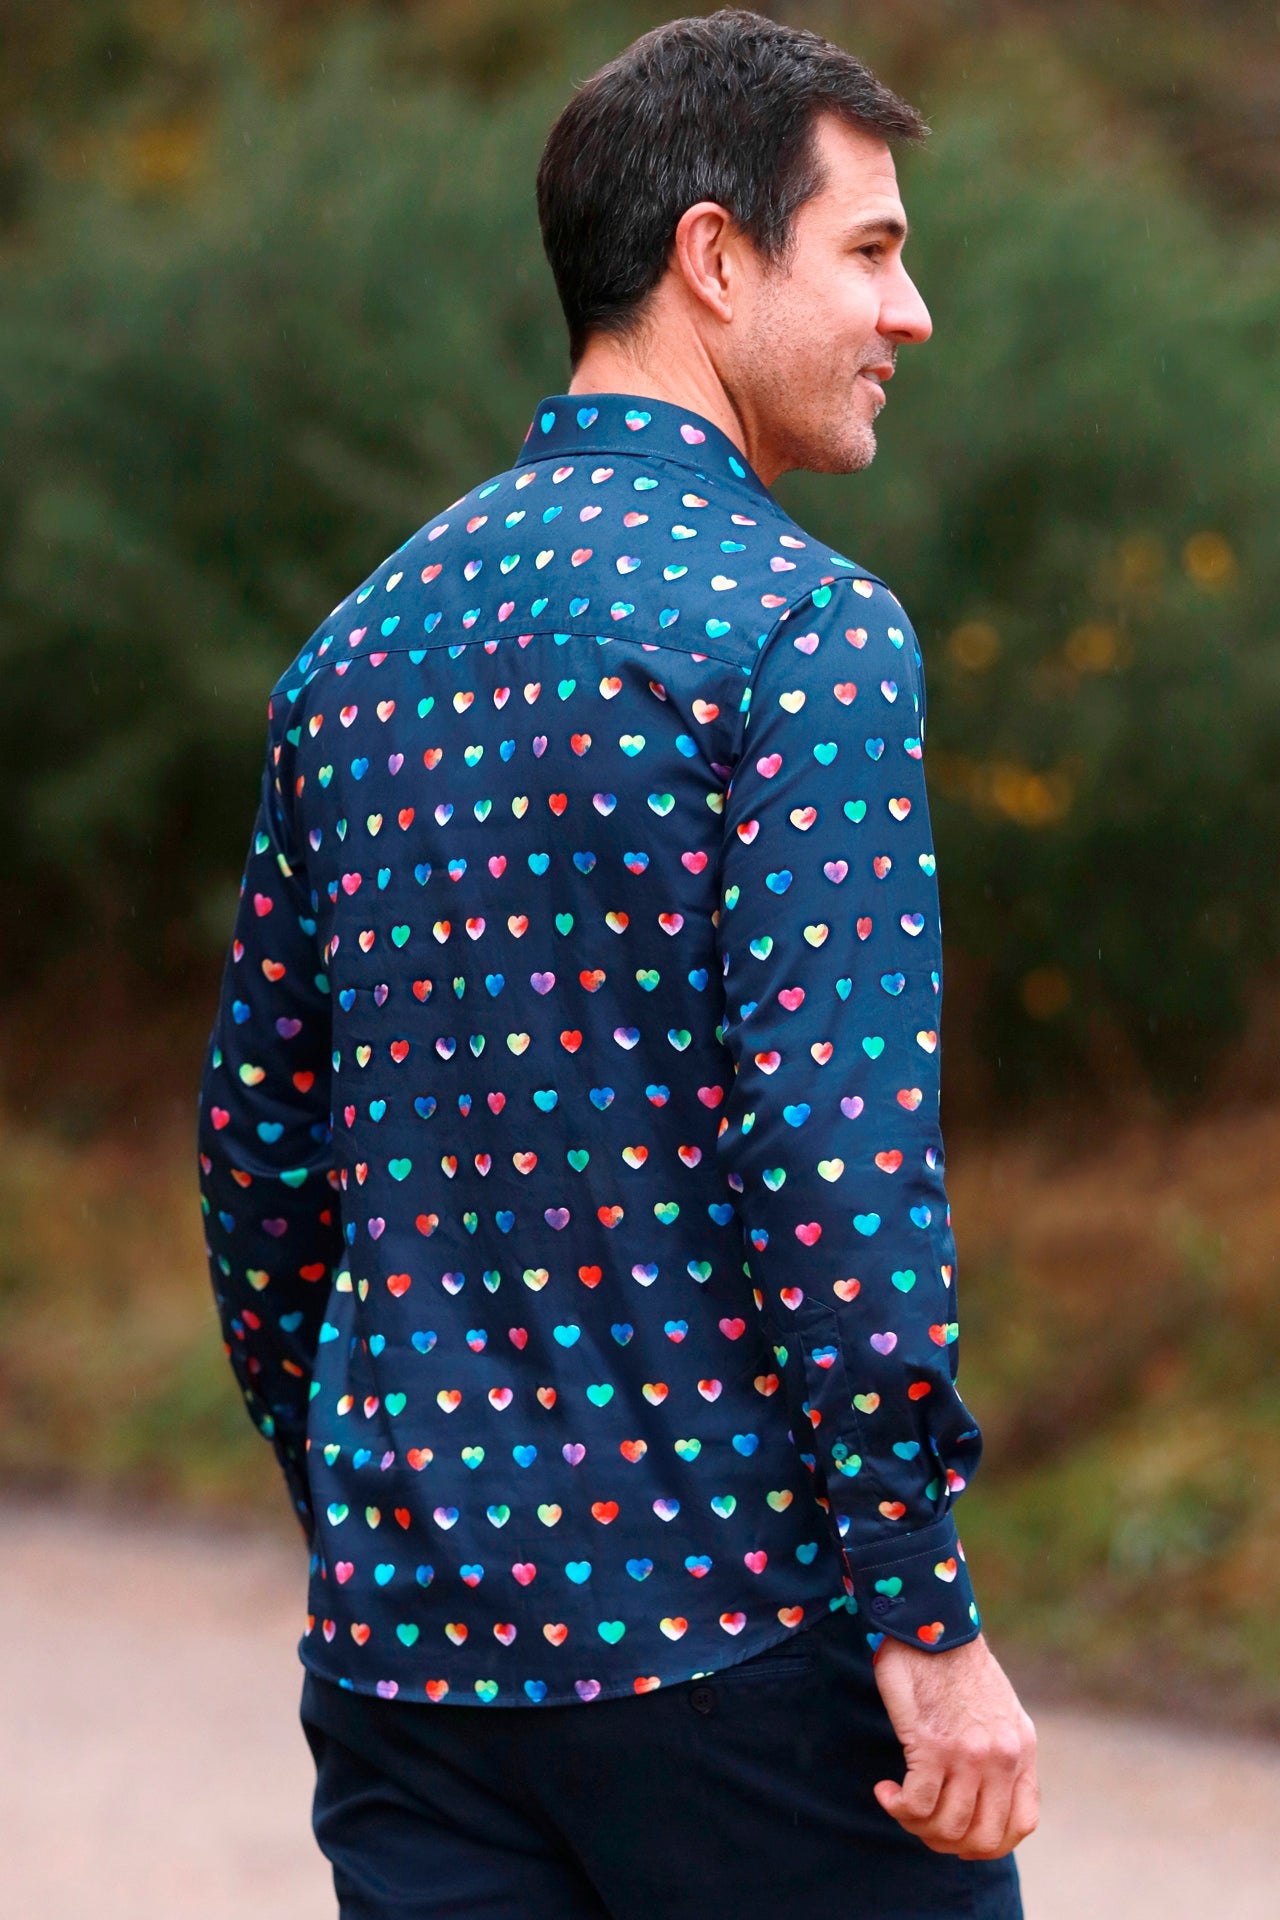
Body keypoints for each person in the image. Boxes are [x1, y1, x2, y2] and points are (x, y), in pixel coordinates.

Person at [196, 9, 1039, 1915]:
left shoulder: (355, 650)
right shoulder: (801, 631)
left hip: (411, 1667)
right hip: (744, 1653)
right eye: (873, 251)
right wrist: (921, 1612)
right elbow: (834, 1167)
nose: (911, 315)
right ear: (713, 258)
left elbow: (260, 1155)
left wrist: (377, 1509)